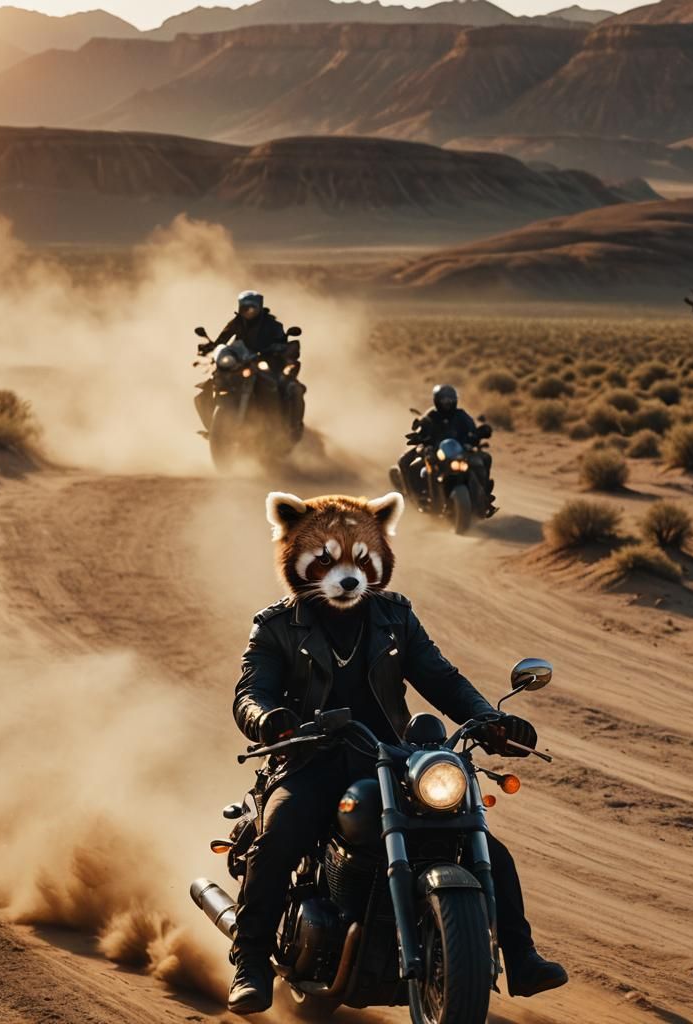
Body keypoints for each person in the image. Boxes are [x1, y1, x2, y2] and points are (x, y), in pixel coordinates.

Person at [226, 490, 566, 1014]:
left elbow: (441, 678)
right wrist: (268, 719)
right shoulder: (274, 627)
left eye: (361, 560)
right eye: (326, 559)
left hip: (390, 759)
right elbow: (250, 692)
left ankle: (520, 956)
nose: (346, 573)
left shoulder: (395, 618)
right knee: (279, 838)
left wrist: (490, 719)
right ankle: (250, 963)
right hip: (309, 760)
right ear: (291, 547)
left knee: (483, 843)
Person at [198, 290, 304, 437]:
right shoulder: (236, 322)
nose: (249, 310)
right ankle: (214, 429)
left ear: (259, 307)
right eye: (245, 307)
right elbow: (222, 339)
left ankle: (287, 428)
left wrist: (280, 348)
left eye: (252, 307)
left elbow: (282, 342)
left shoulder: (272, 324)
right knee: (207, 387)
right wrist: (210, 346)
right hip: (240, 362)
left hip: (264, 362)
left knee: (288, 387)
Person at [398, 384, 496, 514]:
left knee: (484, 459)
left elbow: (472, 430)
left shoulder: (461, 416)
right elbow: (422, 428)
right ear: (437, 400)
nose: (447, 403)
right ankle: (414, 497)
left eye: (449, 399)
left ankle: (483, 498)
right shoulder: (432, 415)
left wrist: (480, 432)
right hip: (435, 450)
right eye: (443, 400)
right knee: (407, 462)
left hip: (459, 451)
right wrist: (419, 436)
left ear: (455, 400)